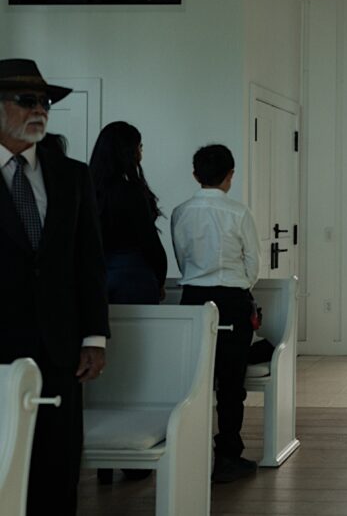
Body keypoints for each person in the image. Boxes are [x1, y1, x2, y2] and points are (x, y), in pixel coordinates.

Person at [0, 58, 108, 515]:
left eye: (45, 102)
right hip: (1, 347)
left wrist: (94, 337)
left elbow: (89, 261)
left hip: (61, 349)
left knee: (58, 469)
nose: (40, 110)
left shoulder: (71, 175)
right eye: (27, 101)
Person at [171, 144, 261, 483]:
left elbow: (182, 259)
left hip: (193, 299)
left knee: (193, 382)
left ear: (195, 175)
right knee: (231, 382)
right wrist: (237, 286)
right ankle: (227, 456)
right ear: (231, 175)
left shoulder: (181, 212)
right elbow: (252, 264)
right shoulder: (238, 213)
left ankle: (190, 452)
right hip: (232, 301)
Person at [90, 121, 168, 305]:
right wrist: (160, 278)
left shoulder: (87, 189)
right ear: (129, 151)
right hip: (133, 275)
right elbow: (149, 240)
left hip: (97, 275)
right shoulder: (130, 191)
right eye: (139, 146)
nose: (141, 151)